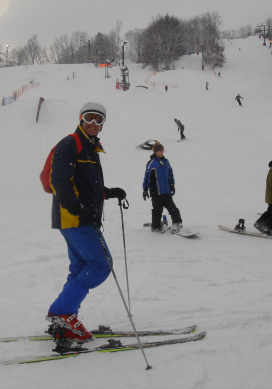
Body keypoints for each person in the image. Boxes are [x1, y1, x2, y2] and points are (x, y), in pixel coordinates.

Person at [45, 102, 126, 344]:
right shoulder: (71, 143)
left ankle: (65, 318)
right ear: (81, 119)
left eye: (98, 119)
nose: (93, 123)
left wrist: (109, 192)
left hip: (80, 217)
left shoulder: (90, 147)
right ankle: (61, 312)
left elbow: (86, 184)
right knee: (101, 266)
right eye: (89, 118)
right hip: (74, 218)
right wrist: (78, 207)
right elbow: (58, 180)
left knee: (81, 268)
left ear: (102, 124)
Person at [142, 142, 183, 234]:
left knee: (172, 207)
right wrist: (145, 189)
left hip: (166, 190)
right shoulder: (152, 163)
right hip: (156, 191)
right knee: (157, 209)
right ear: (155, 152)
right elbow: (147, 177)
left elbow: (170, 174)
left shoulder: (166, 162)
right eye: (160, 150)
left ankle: (177, 222)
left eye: (162, 150)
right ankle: (156, 226)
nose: (162, 152)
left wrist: (172, 185)